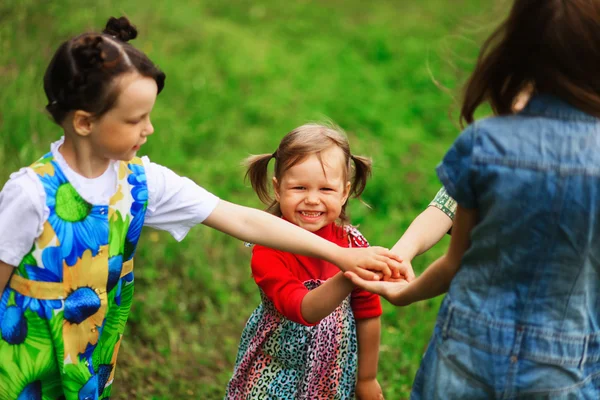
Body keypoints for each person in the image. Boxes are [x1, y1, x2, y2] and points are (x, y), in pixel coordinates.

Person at [0, 18, 401, 400]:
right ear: (85, 122)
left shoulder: (141, 181)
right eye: (135, 119)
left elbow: (241, 218)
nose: (149, 129)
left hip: (92, 346)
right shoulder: (33, 193)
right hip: (25, 351)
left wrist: (341, 254)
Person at [346, 0, 600, 397]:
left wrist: (404, 293)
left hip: (464, 351)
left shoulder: (485, 143)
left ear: (519, 49)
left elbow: (455, 262)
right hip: (565, 363)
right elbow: (440, 211)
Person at [226, 123, 403, 400]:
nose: (311, 199)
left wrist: (367, 378)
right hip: (276, 369)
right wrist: (348, 275)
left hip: (332, 372)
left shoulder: (354, 245)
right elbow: (303, 310)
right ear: (278, 188)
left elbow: (368, 314)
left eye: (326, 189)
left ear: (344, 193)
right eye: (299, 187)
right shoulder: (269, 249)